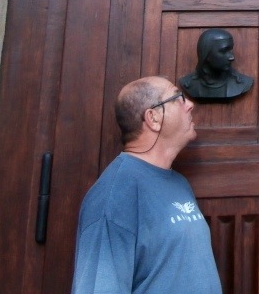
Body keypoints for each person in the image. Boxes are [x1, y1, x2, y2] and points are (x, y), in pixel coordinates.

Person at [71, 76, 222, 294]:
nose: (190, 104)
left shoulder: (179, 183)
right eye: (178, 98)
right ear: (153, 118)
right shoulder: (113, 196)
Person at [179, 28, 254, 101]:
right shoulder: (188, 83)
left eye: (231, 50)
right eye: (224, 51)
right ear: (206, 54)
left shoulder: (243, 83)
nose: (232, 57)